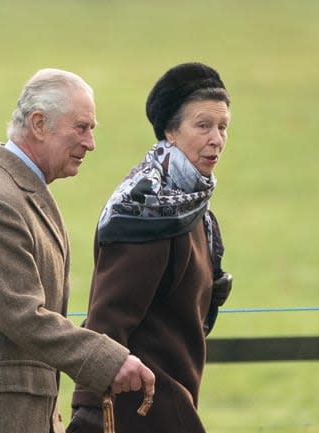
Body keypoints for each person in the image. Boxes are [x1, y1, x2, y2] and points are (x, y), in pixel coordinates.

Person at [0, 68, 155, 433]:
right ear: (39, 124)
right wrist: (107, 360)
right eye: (81, 127)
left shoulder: (16, 189)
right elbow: (24, 317)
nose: (90, 143)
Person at [67, 62, 234, 433]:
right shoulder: (146, 210)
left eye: (223, 127)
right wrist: (89, 410)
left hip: (175, 396)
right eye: (203, 125)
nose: (217, 138)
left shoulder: (192, 205)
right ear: (170, 131)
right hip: (140, 408)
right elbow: (109, 314)